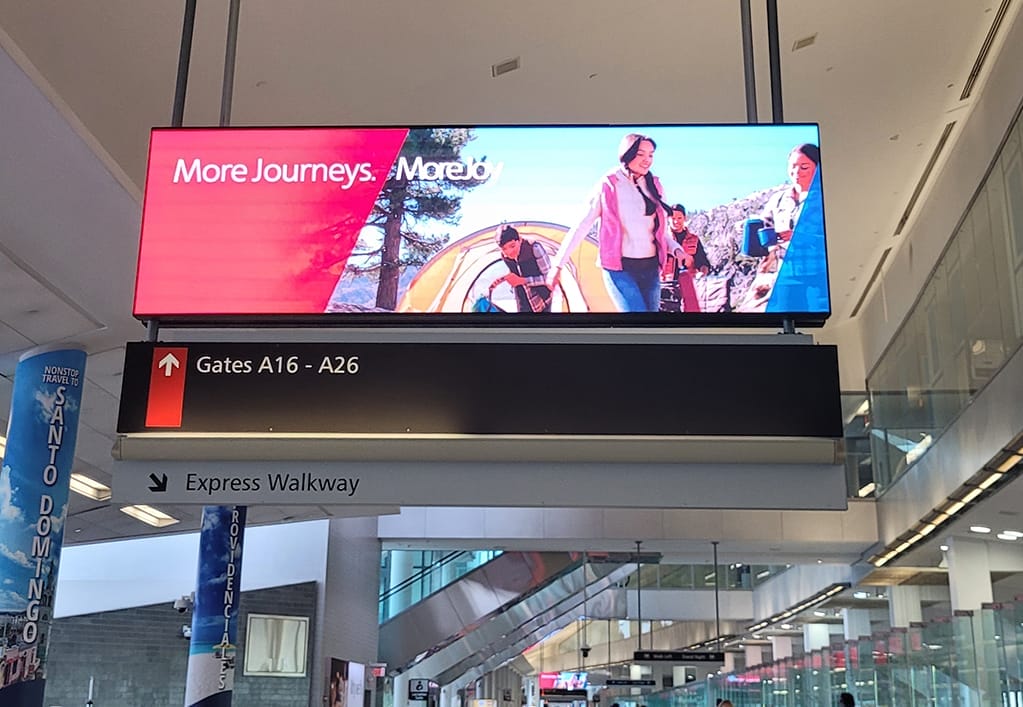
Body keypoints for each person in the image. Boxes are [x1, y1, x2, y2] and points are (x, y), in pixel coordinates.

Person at [548, 133, 688, 312]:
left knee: (651, 324)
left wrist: (677, 249)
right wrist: (558, 265)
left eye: (651, 155)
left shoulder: (655, 185)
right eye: (641, 154)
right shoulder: (609, 184)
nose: (647, 160)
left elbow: (661, 233)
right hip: (619, 270)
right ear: (626, 154)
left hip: (651, 269)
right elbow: (581, 226)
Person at [738, 143, 820, 312]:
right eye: (793, 166)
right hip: (786, 274)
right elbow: (764, 225)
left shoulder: (825, 198)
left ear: (818, 167)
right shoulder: (778, 199)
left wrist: (799, 236)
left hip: (819, 275)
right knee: (784, 318)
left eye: (804, 167)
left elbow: (837, 237)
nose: (797, 172)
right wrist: (751, 230)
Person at [489, 225, 553, 312]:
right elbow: (517, 271)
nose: (509, 252)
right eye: (504, 249)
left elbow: (550, 279)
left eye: (512, 246)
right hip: (523, 300)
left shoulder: (534, 248)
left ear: (519, 240)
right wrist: (505, 278)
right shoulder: (505, 256)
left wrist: (522, 280)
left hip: (542, 299)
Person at [662, 203, 710, 312]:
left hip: (688, 285)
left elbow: (703, 262)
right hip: (666, 285)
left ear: (685, 218)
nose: (676, 221)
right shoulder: (663, 239)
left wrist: (702, 273)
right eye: (673, 218)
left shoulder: (694, 240)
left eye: (679, 218)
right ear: (668, 219)